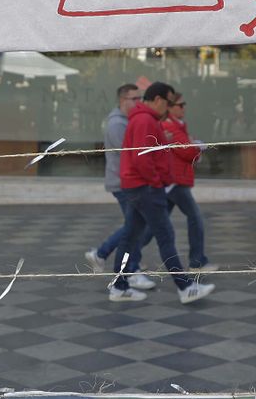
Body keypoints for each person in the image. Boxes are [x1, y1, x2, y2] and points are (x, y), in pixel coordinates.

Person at [109, 82, 214, 305]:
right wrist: (157, 183)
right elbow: (142, 157)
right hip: (146, 189)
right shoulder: (145, 120)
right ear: (157, 100)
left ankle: (119, 287)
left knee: (130, 237)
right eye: (168, 103)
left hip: (138, 187)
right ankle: (185, 288)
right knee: (165, 237)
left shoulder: (142, 119)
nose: (169, 107)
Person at [84, 84, 154, 291]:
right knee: (135, 227)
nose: (139, 102)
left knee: (136, 226)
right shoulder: (116, 125)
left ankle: (103, 255)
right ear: (123, 100)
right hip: (123, 183)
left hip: (128, 182)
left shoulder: (126, 121)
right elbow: (131, 153)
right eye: (135, 98)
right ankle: (129, 270)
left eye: (140, 98)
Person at [162, 91, 216, 274]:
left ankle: (129, 259)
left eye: (184, 105)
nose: (184, 108)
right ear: (169, 107)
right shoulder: (170, 126)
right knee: (195, 218)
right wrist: (196, 146)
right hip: (176, 181)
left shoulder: (178, 126)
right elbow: (187, 151)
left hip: (176, 180)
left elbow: (187, 147)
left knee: (152, 224)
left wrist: (193, 145)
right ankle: (197, 262)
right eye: (180, 105)